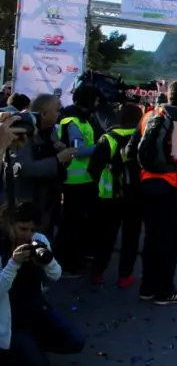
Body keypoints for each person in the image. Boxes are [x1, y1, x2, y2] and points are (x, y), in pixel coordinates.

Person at [127, 80, 177, 305]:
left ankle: (147, 287)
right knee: (169, 241)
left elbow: (131, 149)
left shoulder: (149, 115)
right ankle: (165, 291)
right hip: (174, 186)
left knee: (151, 238)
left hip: (148, 185)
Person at [0, 203, 85, 365]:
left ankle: (31, 347)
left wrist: (47, 261)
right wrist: (13, 263)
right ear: (9, 225)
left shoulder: (38, 239)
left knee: (76, 340)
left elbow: (56, 274)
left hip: (37, 310)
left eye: (32, 230)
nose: (27, 235)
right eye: (22, 229)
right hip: (11, 321)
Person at [87, 103, 143, 288]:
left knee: (105, 236)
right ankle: (124, 276)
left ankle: (97, 272)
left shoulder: (108, 138)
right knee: (131, 238)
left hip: (109, 196)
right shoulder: (142, 138)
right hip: (135, 196)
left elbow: (93, 168)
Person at [10, 94, 75, 237]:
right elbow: (23, 168)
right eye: (58, 110)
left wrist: (62, 154)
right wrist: (57, 159)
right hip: (28, 205)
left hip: (48, 203)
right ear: (43, 113)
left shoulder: (51, 131)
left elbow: (57, 163)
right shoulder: (25, 132)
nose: (61, 113)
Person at [54, 84, 100, 277]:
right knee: (71, 225)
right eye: (95, 100)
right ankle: (68, 264)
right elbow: (77, 151)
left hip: (84, 181)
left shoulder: (83, 119)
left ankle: (75, 260)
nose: (97, 104)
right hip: (74, 183)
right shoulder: (73, 120)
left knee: (77, 224)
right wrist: (101, 147)